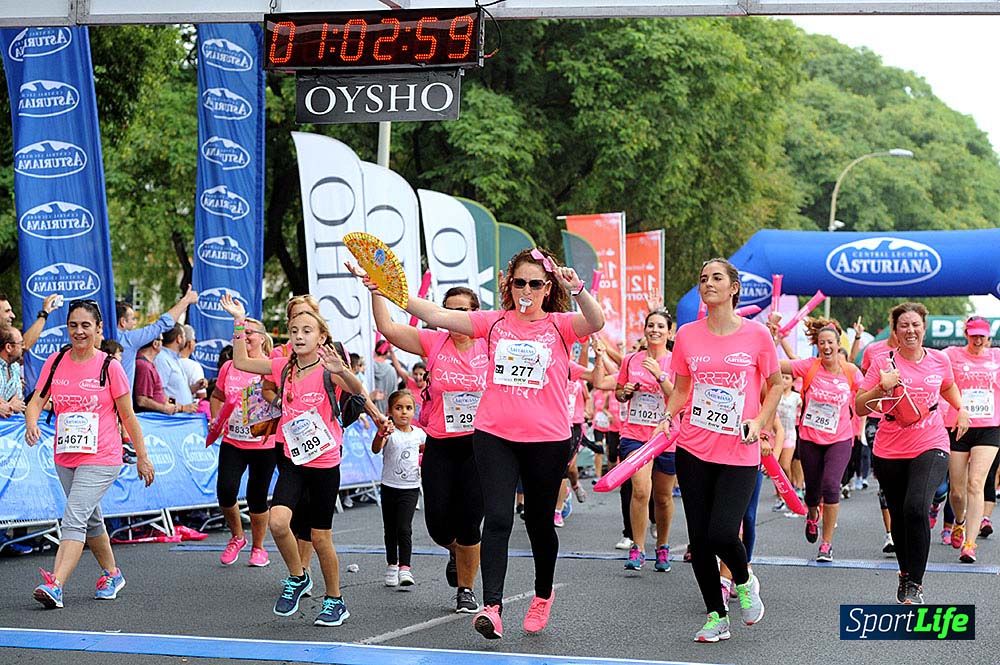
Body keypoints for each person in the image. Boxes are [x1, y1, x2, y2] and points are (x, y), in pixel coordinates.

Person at [355, 247, 604, 639]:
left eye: (534, 283)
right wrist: (386, 288)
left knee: (539, 524)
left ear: (546, 287)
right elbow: (435, 315)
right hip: (494, 436)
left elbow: (596, 320)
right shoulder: (493, 322)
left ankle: (541, 596)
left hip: (547, 439)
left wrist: (580, 290)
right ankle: (493, 606)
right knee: (499, 520)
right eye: (519, 282)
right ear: (509, 285)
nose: (526, 289)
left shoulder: (561, 324)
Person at [222, 294, 371, 627]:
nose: (300, 336)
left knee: (320, 538)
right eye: (294, 331)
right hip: (292, 460)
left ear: (320, 337)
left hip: (324, 465)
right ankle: (298, 576)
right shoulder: (283, 367)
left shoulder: (330, 369)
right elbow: (243, 363)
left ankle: (336, 599)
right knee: (278, 522)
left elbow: (359, 392)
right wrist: (238, 322)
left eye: (307, 330)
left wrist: (342, 371)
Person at [662, 258, 780, 643]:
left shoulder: (757, 336)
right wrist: (668, 414)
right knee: (699, 540)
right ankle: (717, 615)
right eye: (703, 278)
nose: (708, 282)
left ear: (733, 288)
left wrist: (760, 421)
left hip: (739, 448)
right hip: (693, 446)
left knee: (723, 531)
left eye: (716, 277)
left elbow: (777, 384)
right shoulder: (687, 336)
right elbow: (681, 389)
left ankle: (744, 581)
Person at [354, 279, 487, 613]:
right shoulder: (433, 341)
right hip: (440, 445)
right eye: (452, 310)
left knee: (471, 522)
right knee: (439, 525)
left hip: (479, 446)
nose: (459, 317)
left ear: (476, 314)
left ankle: (466, 590)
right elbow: (386, 327)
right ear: (441, 315)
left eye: (467, 310)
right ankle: (455, 550)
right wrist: (376, 291)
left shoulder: (491, 343)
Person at [23, 299, 155, 609]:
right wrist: (31, 423)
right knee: (90, 519)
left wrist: (143, 456)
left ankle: (55, 584)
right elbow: (35, 402)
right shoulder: (55, 362)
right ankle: (112, 574)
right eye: (73, 325)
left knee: (74, 515)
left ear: (98, 329)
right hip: (66, 456)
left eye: (86, 325)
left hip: (103, 456)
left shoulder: (110, 366)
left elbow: (128, 417)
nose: (79, 331)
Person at [855, 302, 969, 605]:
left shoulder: (939, 360)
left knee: (916, 507)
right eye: (904, 325)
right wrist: (881, 388)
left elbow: (947, 387)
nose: (910, 330)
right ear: (895, 330)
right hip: (890, 446)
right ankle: (905, 573)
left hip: (931, 441)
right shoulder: (882, 362)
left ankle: (915, 583)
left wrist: (961, 409)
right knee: (900, 515)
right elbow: (858, 406)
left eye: (916, 325)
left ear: (924, 328)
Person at [775, 318, 862, 563]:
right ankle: (812, 514)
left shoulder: (850, 372)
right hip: (810, 438)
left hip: (840, 438)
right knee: (812, 491)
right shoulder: (809, 367)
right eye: (822, 343)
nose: (826, 347)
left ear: (837, 344)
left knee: (831, 486)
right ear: (817, 345)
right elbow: (775, 365)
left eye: (830, 343)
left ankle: (826, 544)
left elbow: (867, 393)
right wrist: (771, 340)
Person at [610, 309, 677, 573]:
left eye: (661, 326)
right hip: (634, 434)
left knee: (662, 497)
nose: (655, 330)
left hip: (665, 435)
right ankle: (637, 548)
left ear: (669, 332)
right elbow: (618, 393)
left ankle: (663, 545)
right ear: (645, 329)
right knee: (640, 489)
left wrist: (660, 375)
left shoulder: (675, 362)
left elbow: (679, 398)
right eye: (651, 325)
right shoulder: (631, 360)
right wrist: (624, 393)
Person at [209, 317, 275, 568]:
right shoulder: (229, 367)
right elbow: (217, 396)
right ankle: (237, 536)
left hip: (263, 444)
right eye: (241, 332)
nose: (245, 337)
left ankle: (259, 548)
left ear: (262, 337)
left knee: (257, 497)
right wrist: (216, 419)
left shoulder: (270, 366)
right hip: (233, 440)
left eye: (250, 333)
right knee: (225, 491)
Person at [942, 315, 1000, 563]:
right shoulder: (950, 355)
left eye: (982, 336)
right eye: (973, 334)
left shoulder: (997, 357)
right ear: (966, 334)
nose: (978, 340)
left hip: (989, 426)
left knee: (976, 483)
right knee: (957, 491)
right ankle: (959, 520)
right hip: (957, 427)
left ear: (989, 337)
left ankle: (970, 543)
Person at [372, 390, 426, 588]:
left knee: (404, 528)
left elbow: (428, 450)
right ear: (390, 411)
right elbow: (376, 449)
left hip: (410, 488)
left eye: (408, 408)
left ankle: (405, 567)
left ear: (414, 412)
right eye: (399, 408)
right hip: (389, 487)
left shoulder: (419, 434)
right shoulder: (389, 432)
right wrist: (381, 434)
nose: (404, 412)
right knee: (390, 529)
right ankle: (392, 565)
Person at [116, 287, 199, 387]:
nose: (135, 323)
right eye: (132, 319)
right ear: (122, 322)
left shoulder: (101, 336)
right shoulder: (128, 340)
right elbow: (161, 325)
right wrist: (186, 301)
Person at [134, 337, 196, 415]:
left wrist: (182, 407)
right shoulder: (144, 366)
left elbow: (160, 395)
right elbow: (141, 400)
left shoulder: (148, 364)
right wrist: (164, 408)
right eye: (161, 341)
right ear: (155, 344)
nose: (163, 344)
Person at [155, 324, 195, 405]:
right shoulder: (162, 359)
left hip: (181, 415)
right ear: (179, 339)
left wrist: (196, 387)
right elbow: (159, 393)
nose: (185, 340)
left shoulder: (175, 359)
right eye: (184, 336)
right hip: (172, 416)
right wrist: (180, 407)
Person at [0, 325, 26, 419]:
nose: (24, 347)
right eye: (21, 343)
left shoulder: (15, 366)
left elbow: (18, 396)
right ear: (9, 347)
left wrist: (10, 405)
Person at [181, 324, 209, 401]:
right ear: (190, 343)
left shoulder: (167, 361)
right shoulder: (194, 367)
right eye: (195, 340)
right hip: (188, 409)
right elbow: (202, 395)